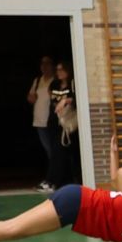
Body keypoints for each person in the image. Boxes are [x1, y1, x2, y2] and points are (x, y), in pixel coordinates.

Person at [48, 62, 81, 191]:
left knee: (68, 151)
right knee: (55, 151)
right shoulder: (54, 84)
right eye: (57, 69)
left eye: (62, 69)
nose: (59, 72)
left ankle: (72, 179)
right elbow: (51, 99)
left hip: (69, 123)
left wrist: (66, 100)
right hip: (55, 121)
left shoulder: (73, 83)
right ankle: (58, 180)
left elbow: (77, 98)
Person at [26, 54, 56, 191]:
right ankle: (51, 178)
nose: (44, 66)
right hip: (39, 120)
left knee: (53, 151)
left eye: (47, 63)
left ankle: (53, 179)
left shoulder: (55, 80)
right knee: (48, 151)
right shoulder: (38, 80)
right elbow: (30, 98)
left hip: (51, 120)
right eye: (42, 64)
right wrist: (32, 97)